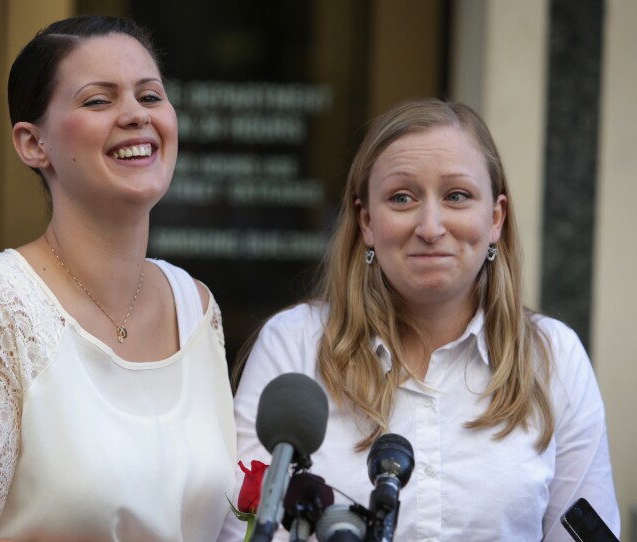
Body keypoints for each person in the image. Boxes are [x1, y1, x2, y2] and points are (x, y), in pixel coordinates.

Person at [0, 15, 236, 542]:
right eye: (98, 100)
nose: (136, 115)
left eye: (150, 96)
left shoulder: (197, 308)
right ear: (32, 144)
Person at [218, 98, 619, 541]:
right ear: (367, 221)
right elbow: (244, 530)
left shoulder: (553, 357)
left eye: (457, 196)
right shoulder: (294, 345)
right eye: (402, 197)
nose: (430, 227)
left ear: (495, 218)